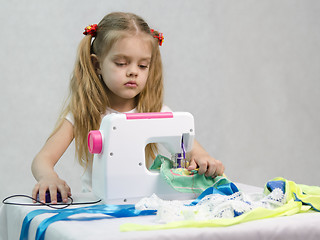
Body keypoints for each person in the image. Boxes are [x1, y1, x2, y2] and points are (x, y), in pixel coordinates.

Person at [31, 12, 225, 204]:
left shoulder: (156, 112)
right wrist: (48, 177)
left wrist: (205, 160)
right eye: (122, 63)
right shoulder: (84, 112)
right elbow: (43, 159)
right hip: (97, 206)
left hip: (140, 204)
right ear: (96, 64)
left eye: (142, 66)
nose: (133, 71)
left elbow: (196, 152)